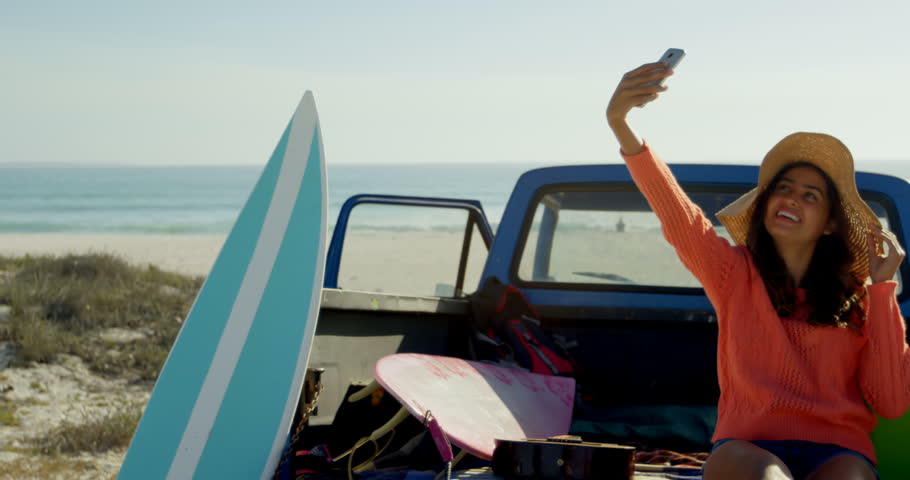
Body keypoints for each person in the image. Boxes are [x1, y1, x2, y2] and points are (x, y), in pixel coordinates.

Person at [605, 61, 909, 480]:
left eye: (810, 195)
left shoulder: (858, 296)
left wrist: (882, 290)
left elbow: (892, 402)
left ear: (830, 224)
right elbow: (680, 216)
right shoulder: (734, 274)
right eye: (783, 188)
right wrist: (621, 124)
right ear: (765, 203)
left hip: (838, 452)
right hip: (748, 450)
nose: (791, 198)